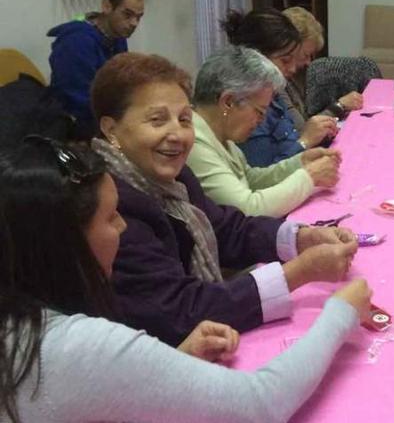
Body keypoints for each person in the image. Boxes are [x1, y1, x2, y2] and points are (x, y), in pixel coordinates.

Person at [0, 136, 373, 422]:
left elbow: (227, 227)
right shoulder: (72, 345)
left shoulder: (26, 317)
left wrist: (172, 361)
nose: (122, 226)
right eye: (111, 218)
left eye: (182, 117)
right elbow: (260, 402)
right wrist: (341, 312)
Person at [91, 52, 357, 345]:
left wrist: (302, 238)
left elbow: (226, 228)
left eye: (183, 119)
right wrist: (299, 272)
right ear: (111, 129)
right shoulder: (110, 208)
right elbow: (181, 310)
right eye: (157, 120)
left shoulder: (172, 178)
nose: (177, 134)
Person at [188, 46, 340, 217]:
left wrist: (300, 163)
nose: (261, 120)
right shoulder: (194, 144)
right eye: (259, 111)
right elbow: (248, 209)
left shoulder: (220, 134)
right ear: (228, 102)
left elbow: (251, 179)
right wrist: (309, 177)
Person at [223, 8, 338, 160]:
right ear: (256, 57)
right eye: (285, 60)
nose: (292, 68)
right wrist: (305, 142)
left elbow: (291, 139)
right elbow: (263, 177)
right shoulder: (244, 106)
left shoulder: (273, 93)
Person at [47, 0, 144, 137]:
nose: (134, 23)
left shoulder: (117, 37)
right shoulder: (76, 42)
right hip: (74, 125)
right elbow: (75, 100)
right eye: (127, 14)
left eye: (138, 17)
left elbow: (121, 83)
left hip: (103, 117)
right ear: (107, 7)